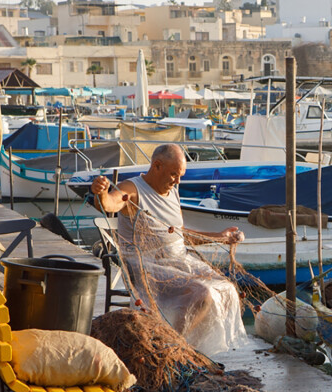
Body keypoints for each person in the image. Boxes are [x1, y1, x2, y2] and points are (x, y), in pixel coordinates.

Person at [90, 144, 246, 355]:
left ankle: (194, 349)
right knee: (202, 293)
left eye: (180, 175)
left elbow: (179, 235)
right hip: (147, 267)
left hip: (180, 262)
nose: (178, 181)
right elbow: (109, 204)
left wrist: (220, 236)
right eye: (174, 174)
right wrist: (101, 194)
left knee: (227, 290)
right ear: (157, 166)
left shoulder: (173, 192)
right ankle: (175, 348)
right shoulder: (132, 188)